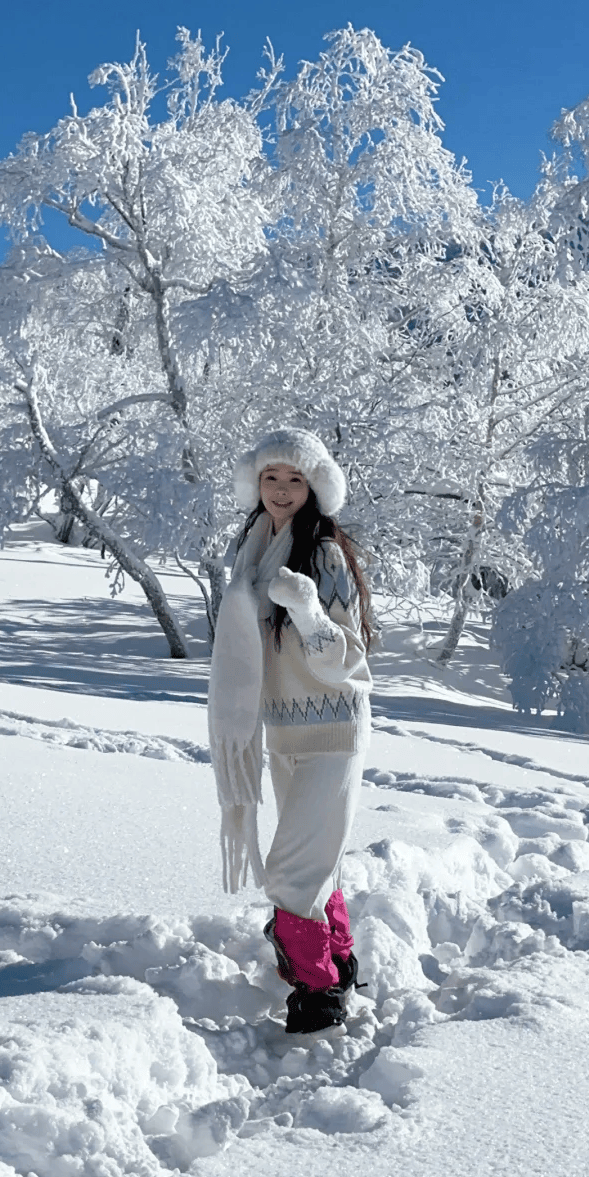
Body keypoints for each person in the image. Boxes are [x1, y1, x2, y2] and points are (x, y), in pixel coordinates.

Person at [207, 429, 373, 1036]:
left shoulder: (324, 555)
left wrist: (307, 612)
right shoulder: (252, 548)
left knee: (290, 873)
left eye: (294, 480)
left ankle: (318, 991)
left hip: (332, 732)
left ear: (315, 487)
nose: (280, 491)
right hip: (281, 733)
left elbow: (348, 660)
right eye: (271, 478)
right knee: (314, 863)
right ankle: (340, 957)